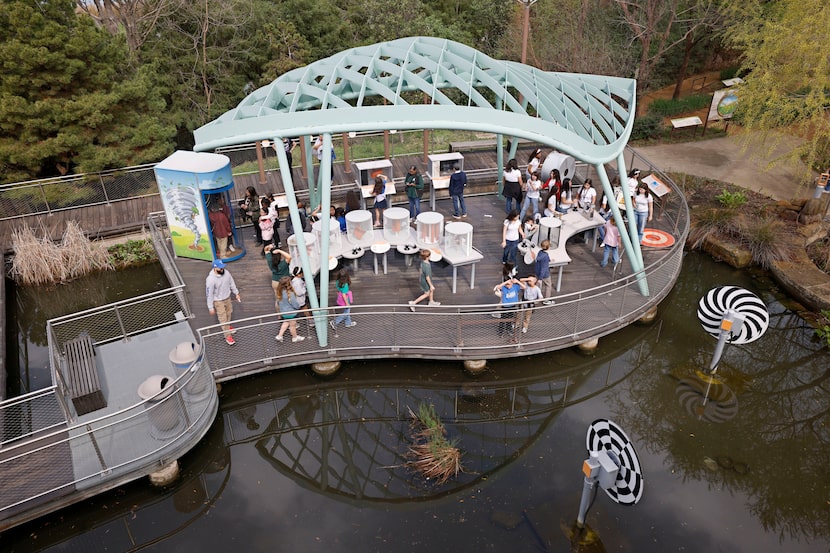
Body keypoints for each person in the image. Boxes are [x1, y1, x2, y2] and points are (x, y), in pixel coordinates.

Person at [205, 259, 241, 346]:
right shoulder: (210, 280)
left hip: (227, 297)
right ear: (215, 268)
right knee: (223, 318)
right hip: (218, 301)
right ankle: (227, 335)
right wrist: (210, 307)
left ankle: (227, 327)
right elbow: (209, 294)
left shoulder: (226, 273)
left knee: (229, 313)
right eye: (220, 268)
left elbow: (231, 282)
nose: (222, 270)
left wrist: (236, 293)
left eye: (222, 268)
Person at [274, 276, 305, 343]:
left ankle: (279, 335)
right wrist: (298, 307)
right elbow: (295, 304)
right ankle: (295, 337)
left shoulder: (280, 292)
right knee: (292, 325)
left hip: (284, 313)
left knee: (286, 322)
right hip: (291, 313)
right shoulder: (290, 294)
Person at [494, 273, 525, 338]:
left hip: (513, 306)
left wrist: (517, 281)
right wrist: (505, 282)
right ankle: (501, 332)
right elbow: (498, 287)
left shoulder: (515, 286)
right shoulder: (504, 287)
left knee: (510, 319)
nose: (508, 286)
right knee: (503, 319)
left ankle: (509, 330)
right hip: (505, 306)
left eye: (509, 284)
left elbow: (524, 287)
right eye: (507, 284)